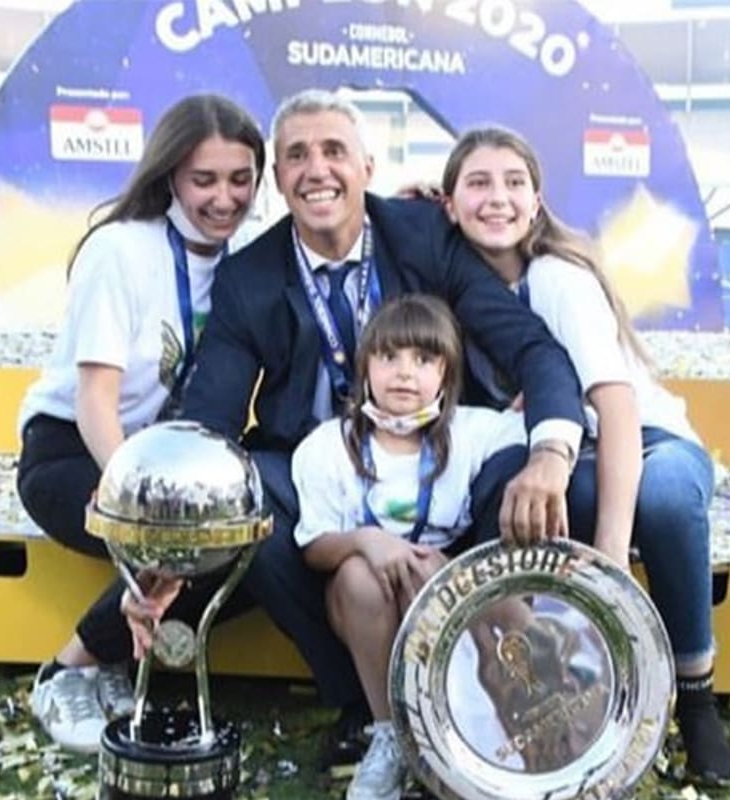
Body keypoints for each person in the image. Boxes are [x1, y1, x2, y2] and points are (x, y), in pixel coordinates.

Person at [81, 88, 585, 768]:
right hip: (320, 473)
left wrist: (551, 453)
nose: (316, 169)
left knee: (511, 467)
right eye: (296, 156)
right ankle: (364, 706)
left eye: (333, 151)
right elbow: (209, 424)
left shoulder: (422, 234)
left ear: (367, 167)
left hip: (438, 452)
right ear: (278, 180)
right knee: (250, 488)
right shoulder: (249, 278)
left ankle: (503, 684)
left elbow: (533, 348)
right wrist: (166, 556)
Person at [439, 126, 730, 784]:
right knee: (519, 491)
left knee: (659, 504)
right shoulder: (456, 291)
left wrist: (610, 567)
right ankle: (544, 693)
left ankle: (696, 697)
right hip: (572, 455)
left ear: (538, 201)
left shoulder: (557, 277)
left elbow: (621, 410)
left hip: (648, 443)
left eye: (515, 183)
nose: (499, 199)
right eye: (479, 184)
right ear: (448, 203)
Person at [14, 93, 266, 753]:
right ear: (170, 177)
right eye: (203, 179)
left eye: (240, 179)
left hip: (168, 469)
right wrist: (132, 493)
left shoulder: (243, 264)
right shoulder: (120, 250)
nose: (224, 198)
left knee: (249, 540)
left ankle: (113, 656)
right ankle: (66, 670)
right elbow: (97, 396)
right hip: (76, 454)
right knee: (185, 537)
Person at [292, 293, 525, 799]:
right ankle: (390, 738)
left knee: (439, 573)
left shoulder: (475, 430)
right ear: (365, 366)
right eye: (389, 356)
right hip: (362, 604)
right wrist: (367, 541)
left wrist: (543, 401)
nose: (404, 373)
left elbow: (545, 431)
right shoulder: (327, 446)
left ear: (447, 372)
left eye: (424, 359)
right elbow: (313, 546)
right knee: (358, 575)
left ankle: (466, 726)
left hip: (440, 593)